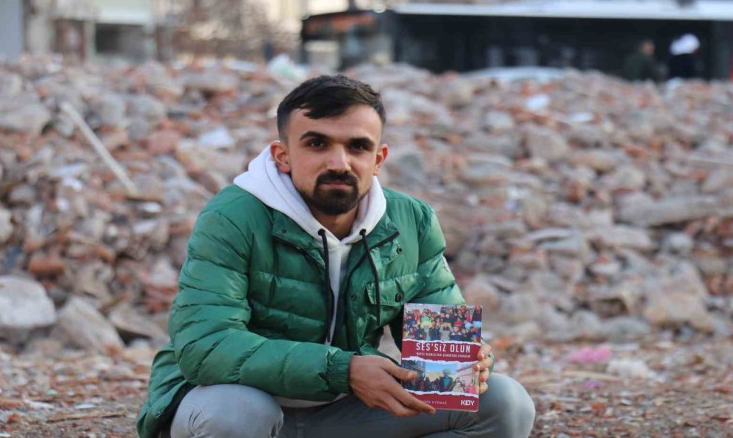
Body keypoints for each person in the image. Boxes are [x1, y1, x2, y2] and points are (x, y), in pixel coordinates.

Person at [136, 75, 535, 438]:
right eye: (317, 144)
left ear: (378, 159)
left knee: (503, 403)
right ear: (282, 155)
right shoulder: (233, 217)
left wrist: (467, 362)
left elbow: (440, 352)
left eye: (357, 146)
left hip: (345, 414)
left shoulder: (410, 222)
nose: (339, 163)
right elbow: (207, 347)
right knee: (238, 415)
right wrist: (343, 370)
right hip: (238, 404)